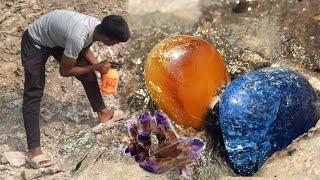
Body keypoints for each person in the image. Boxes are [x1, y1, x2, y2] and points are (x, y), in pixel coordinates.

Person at [20, 9, 130, 168]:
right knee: (34, 92)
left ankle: (103, 113)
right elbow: (64, 71)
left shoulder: (95, 27)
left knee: (88, 73)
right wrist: (95, 67)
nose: (116, 44)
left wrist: (97, 66)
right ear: (107, 38)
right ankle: (34, 150)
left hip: (56, 39)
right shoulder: (77, 35)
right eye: (116, 41)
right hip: (35, 42)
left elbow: (84, 48)